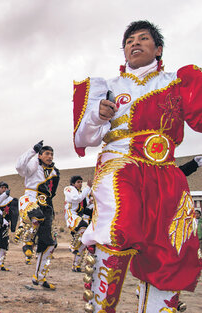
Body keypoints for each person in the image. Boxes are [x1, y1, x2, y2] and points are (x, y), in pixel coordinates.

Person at [73, 20, 202, 312]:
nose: (135, 43)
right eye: (129, 40)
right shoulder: (107, 87)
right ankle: (100, 307)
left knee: (169, 251)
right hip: (121, 164)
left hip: (166, 173)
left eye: (143, 38)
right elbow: (83, 139)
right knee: (118, 226)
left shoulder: (178, 82)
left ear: (158, 49)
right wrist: (97, 116)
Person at [15, 142, 60, 289]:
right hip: (31, 200)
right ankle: (27, 242)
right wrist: (32, 151)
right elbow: (20, 168)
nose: (50, 156)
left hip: (46, 205)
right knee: (36, 217)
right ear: (40, 155)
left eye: (51, 154)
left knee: (49, 243)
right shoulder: (34, 167)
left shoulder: (55, 172)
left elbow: (52, 192)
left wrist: (51, 209)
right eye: (46, 153)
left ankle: (39, 278)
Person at [63, 175, 93, 272]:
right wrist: (88, 187)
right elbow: (76, 199)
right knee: (83, 226)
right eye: (78, 182)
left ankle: (76, 265)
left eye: (81, 182)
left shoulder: (80, 193)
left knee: (83, 243)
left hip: (77, 216)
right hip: (71, 215)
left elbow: (82, 207)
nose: (80, 184)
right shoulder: (69, 189)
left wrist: (89, 203)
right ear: (73, 183)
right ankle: (72, 246)